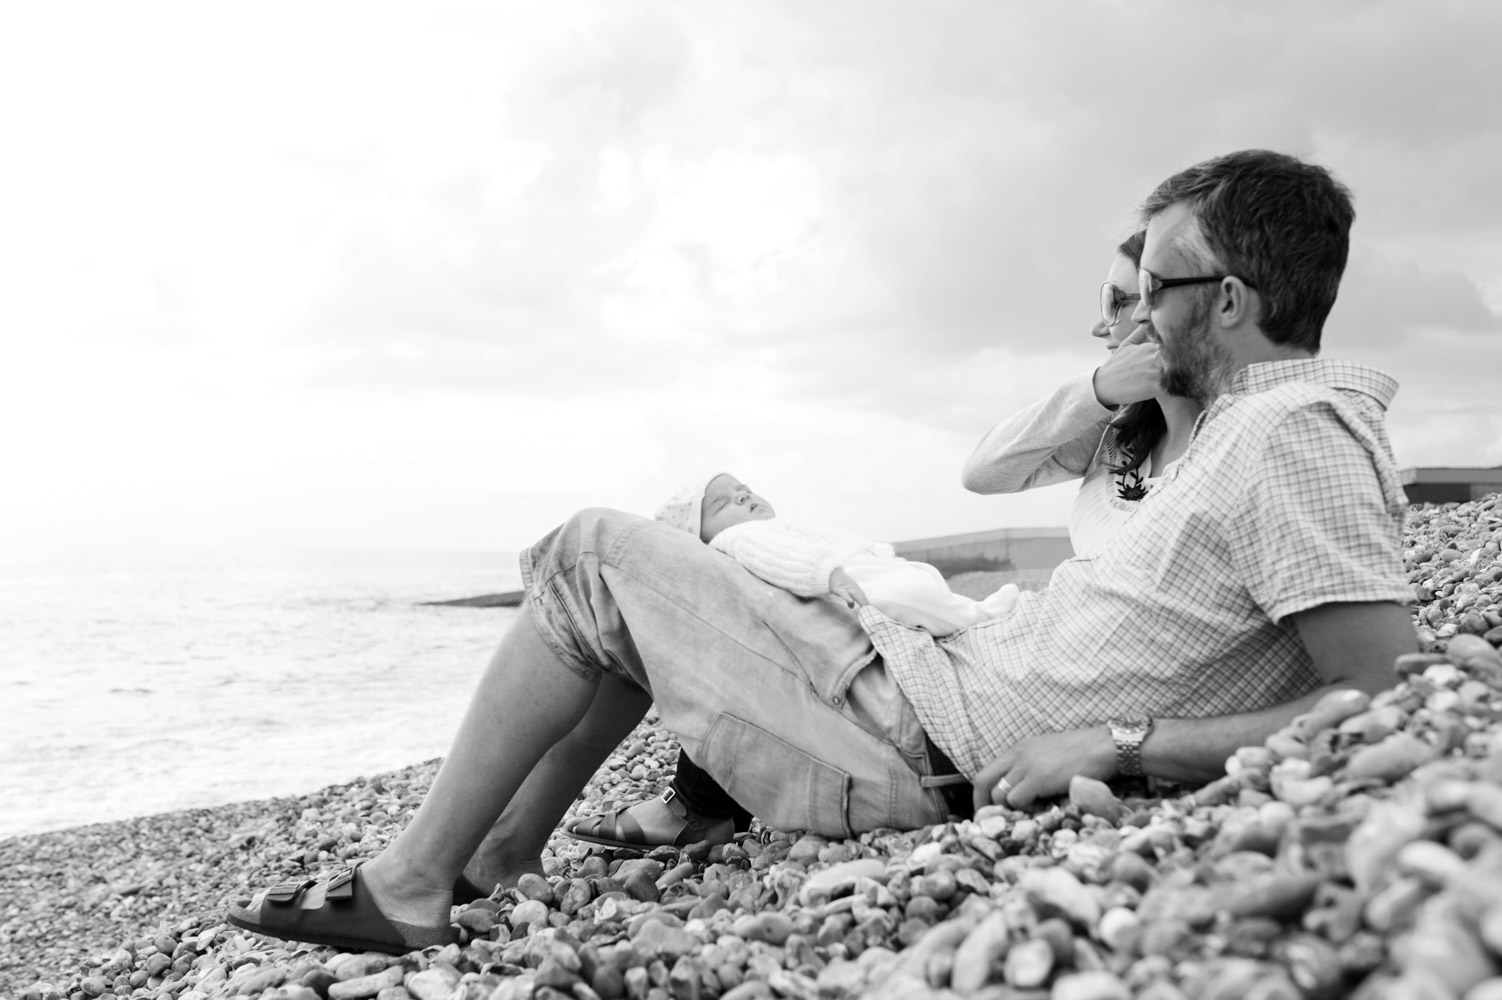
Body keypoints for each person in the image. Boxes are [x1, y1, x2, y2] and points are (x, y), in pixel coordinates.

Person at [228, 149, 1418, 956]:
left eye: (1155, 285)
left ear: (1227, 301)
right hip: (921, 686)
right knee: (649, 540)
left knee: (599, 554)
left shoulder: (1291, 433)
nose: (1131, 309)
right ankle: (480, 855)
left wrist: (1122, 745)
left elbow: (1381, 696)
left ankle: (421, 882)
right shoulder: (1240, 432)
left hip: (914, 748)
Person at [563, 229, 1190, 851]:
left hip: (967, 713)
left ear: (1156, 304)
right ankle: (681, 805)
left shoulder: (1233, 452)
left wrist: (1123, 744)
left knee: (601, 561)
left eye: (1112, 299)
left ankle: (676, 810)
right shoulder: (1121, 432)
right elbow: (985, 470)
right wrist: (1101, 390)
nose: (1096, 324)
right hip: (983, 673)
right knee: (629, 589)